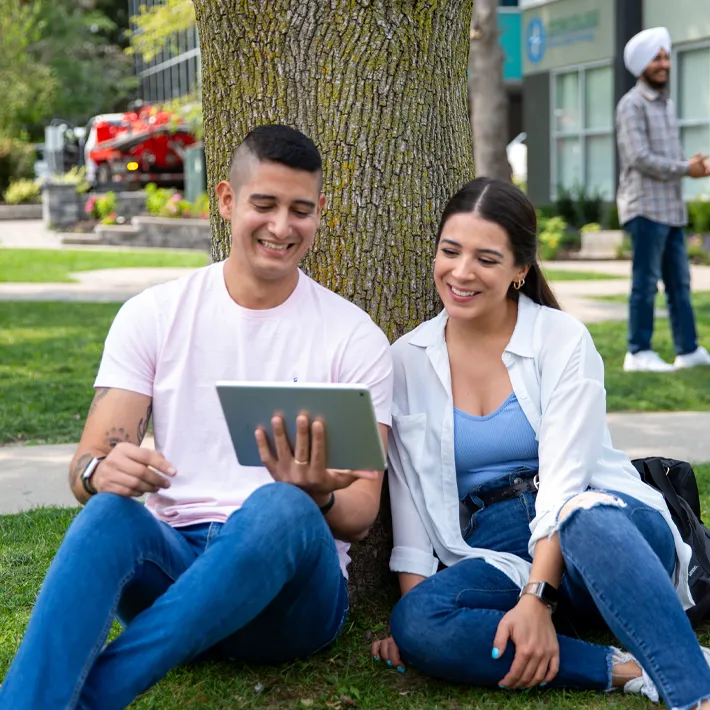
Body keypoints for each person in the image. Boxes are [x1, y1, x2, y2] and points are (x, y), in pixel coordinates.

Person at [0, 125, 393, 710]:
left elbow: (361, 515)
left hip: (290, 601)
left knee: (281, 504)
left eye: (300, 210)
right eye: (264, 204)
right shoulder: (154, 315)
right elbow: (86, 465)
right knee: (110, 515)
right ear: (228, 201)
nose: (283, 227)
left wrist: (317, 497)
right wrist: (99, 474)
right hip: (175, 566)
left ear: (319, 214)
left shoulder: (353, 337)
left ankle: (92, 698)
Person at [371, 177, 710, 709]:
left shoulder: (560, 338)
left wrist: (537, 599)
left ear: (519, 270)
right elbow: (409, 499)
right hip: (500, 549)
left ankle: (694, 692)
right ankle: (624, 668)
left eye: (486, 258)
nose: (460, 272)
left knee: (582, 513)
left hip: (607, 529)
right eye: (450, 251)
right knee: (417, 621)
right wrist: (416, 625)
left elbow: (565, 481)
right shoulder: (407, 359)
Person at [616, 26, 710, 372]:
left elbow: (667, 158)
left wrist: (693, 166)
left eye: (666, 56)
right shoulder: (631, 105)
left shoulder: (666, 105)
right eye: (657, 57)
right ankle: (638, 352)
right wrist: (688, 168)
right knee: (645, 284)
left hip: (671, 210)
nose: (664, 63)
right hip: (645, 209)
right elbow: (640, 157)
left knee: (680, 284)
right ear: (642, 65)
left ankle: (688, 350)